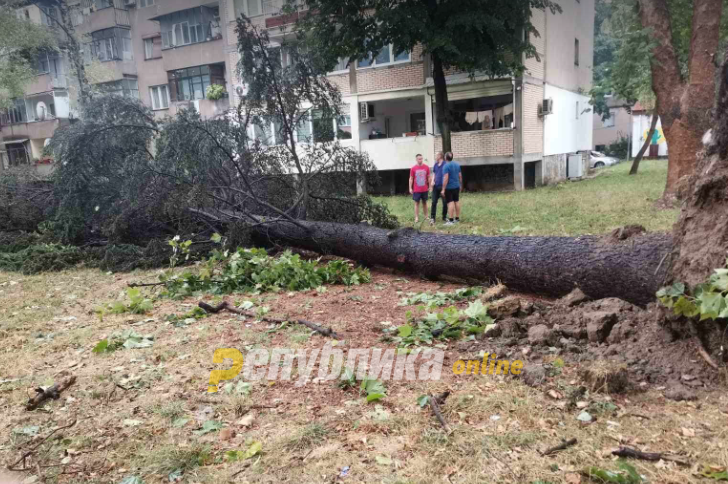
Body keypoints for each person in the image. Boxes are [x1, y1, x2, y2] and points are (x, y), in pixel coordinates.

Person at [441, 152, 462, 225]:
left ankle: (450, 220)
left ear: (445, 158)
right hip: (456, 186)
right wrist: (460, 185)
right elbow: (460, 176)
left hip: (449, 187)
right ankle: (457, 218)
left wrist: (443, 189)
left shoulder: (446, 166)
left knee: (450, 202)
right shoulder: (457, 164)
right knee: (456, 201)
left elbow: (446, 178)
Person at [409, 154, 430, 224]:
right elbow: (411, 178)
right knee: (416, 203)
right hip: (416, 190)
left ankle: (426, 217)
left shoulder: (426, 167)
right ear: (416, 159)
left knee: (425, 203)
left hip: (425, 189)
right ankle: (416, 217)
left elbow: (429, 177)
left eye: (421, 159)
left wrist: (430, 186)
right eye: (419, 159)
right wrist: (410, 188)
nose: (420, 160)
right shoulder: (413, 168)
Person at [429, 151, 448, 225]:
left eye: (436, 155)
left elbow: (447, 175)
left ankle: (444, 216)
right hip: (436, 187)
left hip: (443, 187)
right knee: (433, 202)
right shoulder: (435, 165)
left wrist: (444, 187)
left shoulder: (445, 164)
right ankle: (432, 218)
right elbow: (434, 174)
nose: (435, 156)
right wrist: (432, 181)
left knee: (445, 202)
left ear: (440, 156)